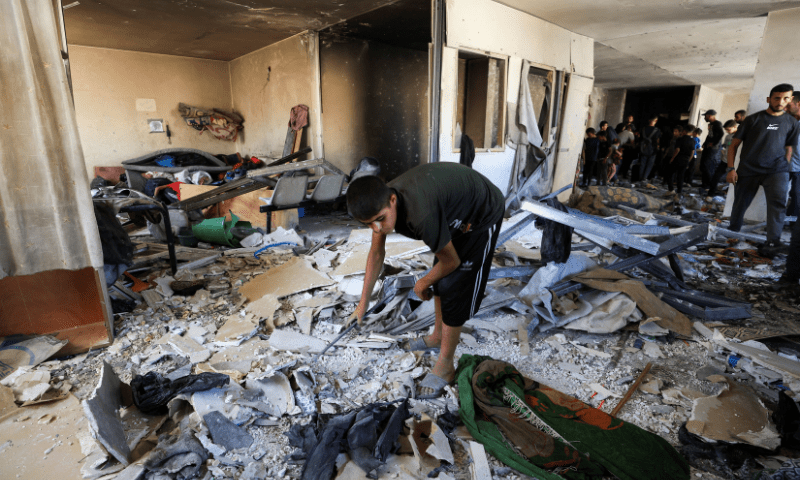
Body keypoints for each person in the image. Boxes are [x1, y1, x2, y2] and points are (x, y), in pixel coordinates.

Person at [346, 162, 504, 398]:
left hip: (482, 211)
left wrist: (422, 282)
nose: (377, 228)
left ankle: (446, 365)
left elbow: (451, 262)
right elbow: (376, 253)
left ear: (392, 200)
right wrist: (363, 303)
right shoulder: (380, 203)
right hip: (455, 211)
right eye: (369, 224)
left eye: (380, 219)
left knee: (453, 285)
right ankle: (436, 336)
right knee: (440, 280)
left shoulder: (421, 214)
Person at [727, 83, 800, 249]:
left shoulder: (792, 122)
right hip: (748, 170)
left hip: (777, 171)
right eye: (776, 98)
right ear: (769, 99)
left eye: (785, 98)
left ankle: (772, 243)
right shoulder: (752, 120)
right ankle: (732, 234)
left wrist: (784, 167)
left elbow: (789, 147)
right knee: (740, 205)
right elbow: (733, 146)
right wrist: (730, 169)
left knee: (778, 206)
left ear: (790, 100)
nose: (780, 101)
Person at [700, 110, 725, 197]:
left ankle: (711, 185)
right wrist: (705, 143)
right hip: (708, 147)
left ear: (710, 116)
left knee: (706, 165)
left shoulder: (717, 124)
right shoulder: (711, 124)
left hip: (713, 148)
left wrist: (713, 143)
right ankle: (704, 185)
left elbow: (721, 134)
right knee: (703, 165)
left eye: (706, 116)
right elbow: (709, 135)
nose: (705, 117)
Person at [666, 124, 696, 194]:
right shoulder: (692, 140)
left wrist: (672, 158)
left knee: (669, 174)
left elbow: (677, 150)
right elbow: (692, 152)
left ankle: (671, 190)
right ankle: (679, 193)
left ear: (684, 131)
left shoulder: (680, 139)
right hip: (686, 160)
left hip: (678, 159)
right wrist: (688, 161)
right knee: (681, 177)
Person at [784, 92, 800, 226]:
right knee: (776, 192)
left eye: (788, 105)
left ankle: (793, 225)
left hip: (798, 167)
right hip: (786, 165)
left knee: (796, 195)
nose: (785, 108)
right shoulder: (791, 120)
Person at [639, 116, 662, 181]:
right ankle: (644, 177)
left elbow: (640, 138)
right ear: (656, 121)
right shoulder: (657, 130)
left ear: (649, 120)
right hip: (653, 149)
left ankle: (640, 177)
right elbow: (658, 140)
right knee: (649, 164)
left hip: (643, 148)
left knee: (642, 163)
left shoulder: (643, 129)